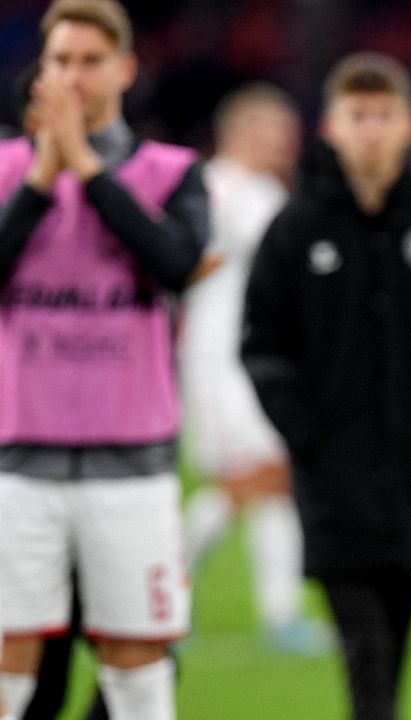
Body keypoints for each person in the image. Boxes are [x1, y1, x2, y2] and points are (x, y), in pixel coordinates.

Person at [241, 52, 411, 720]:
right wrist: (305, 432)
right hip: (333, 476)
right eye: (357, 116)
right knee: (365, 647)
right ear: (330, 127)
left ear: (409, 125)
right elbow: (262, 345)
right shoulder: (295, 230)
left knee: (392, 639)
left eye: (383, 116)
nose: (371, 130)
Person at [0, 1, 208, 718]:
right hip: (18, 465)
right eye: (61, 60)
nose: (75, 76)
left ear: (124, 69)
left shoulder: (170, 171)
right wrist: (39, 177)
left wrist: (83, 166)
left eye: (91, 60)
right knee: (7, 659)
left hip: (133, 466)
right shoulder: (3, 172)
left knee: (137, 661)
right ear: (42, 71)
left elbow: (174, 263)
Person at [177, 82, 330, 654]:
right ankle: (157, 598)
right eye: (276, 130)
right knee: (247, 482)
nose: (288, 142)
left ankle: (280, 613)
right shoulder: (231, 191)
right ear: (243, 131)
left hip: (240, 361)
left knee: (271, 484)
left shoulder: (227, 188)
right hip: (223, 365)